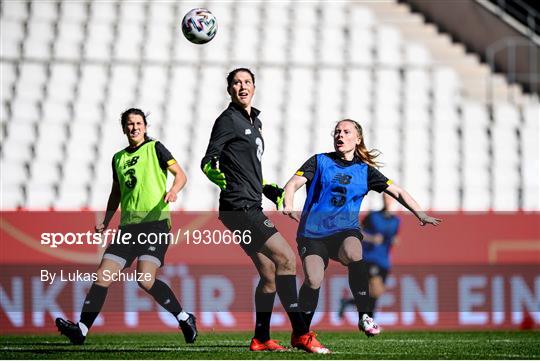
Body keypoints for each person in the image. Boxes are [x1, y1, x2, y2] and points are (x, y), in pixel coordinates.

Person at [201, 68, 329, 353]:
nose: (242, 86)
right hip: (239, 207)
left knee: (270, 272)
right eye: (236, 82)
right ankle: (301, 333)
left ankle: (261, 337)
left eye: (247, 82)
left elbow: (249, 172)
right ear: (229, 90)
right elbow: (208, 161)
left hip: (247, 204)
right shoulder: (227, 120)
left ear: (254, 87)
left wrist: (271, 190)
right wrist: (220, 177)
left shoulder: (254, 121)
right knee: (286, 258)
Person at [282, 119, 441, 337]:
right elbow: (292, 184)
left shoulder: (365, 172)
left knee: (354, 251)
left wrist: (419, 213)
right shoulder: (319, 161)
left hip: (344, 231)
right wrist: (288, 204)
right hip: (313, 233)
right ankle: (301, 333)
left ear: (357, 139)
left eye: (346, 132)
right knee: (313, 279)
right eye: (337, 132)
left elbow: (398, 192)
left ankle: (364, 316)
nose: (340, 135)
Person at [56, 108, 197, 345]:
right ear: (124, 128)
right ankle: (81, 329)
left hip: (155, 225)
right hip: (127, 229)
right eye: (130, 124)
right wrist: (107, 221)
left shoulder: (156, 148)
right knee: (103, 276)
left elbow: (180, 175)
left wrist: (173, 191)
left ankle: (184, 318)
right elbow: (116, 193)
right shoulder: (118, 158)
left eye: (139, 123)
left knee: (144, 279)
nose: (134, 127)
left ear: (145, 126)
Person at [338, 193, 401, 320]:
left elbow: (392, 237)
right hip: (370, 258)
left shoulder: (396, 221)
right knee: (376, 289)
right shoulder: (373, 216)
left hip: (384, 261)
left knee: (376, 294)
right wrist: (372, 238)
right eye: (386, 198)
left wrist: (394, 239)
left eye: (390, 198)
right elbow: (358, 231)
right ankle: (369, 320)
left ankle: (350, 304)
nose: (388, 201)